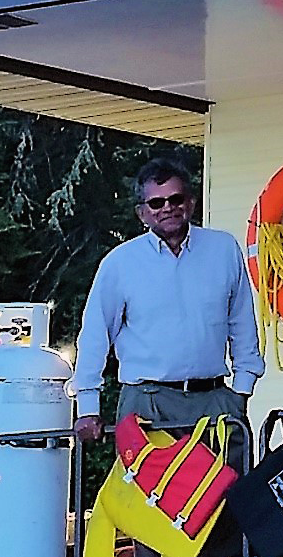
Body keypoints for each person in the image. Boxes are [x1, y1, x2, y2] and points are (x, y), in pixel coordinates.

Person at [72, 155, 260, 456]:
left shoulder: (223, 249)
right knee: (149, 502)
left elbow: (242, 322)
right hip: (147, 402)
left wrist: (241, 391)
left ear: (191, 203)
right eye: (156, 203)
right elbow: (95, 336)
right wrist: (87, 406)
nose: (168, 208)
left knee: (228, 498)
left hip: (214, 399)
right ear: (141, 213)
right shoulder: (120, 263)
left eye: (176, 198)